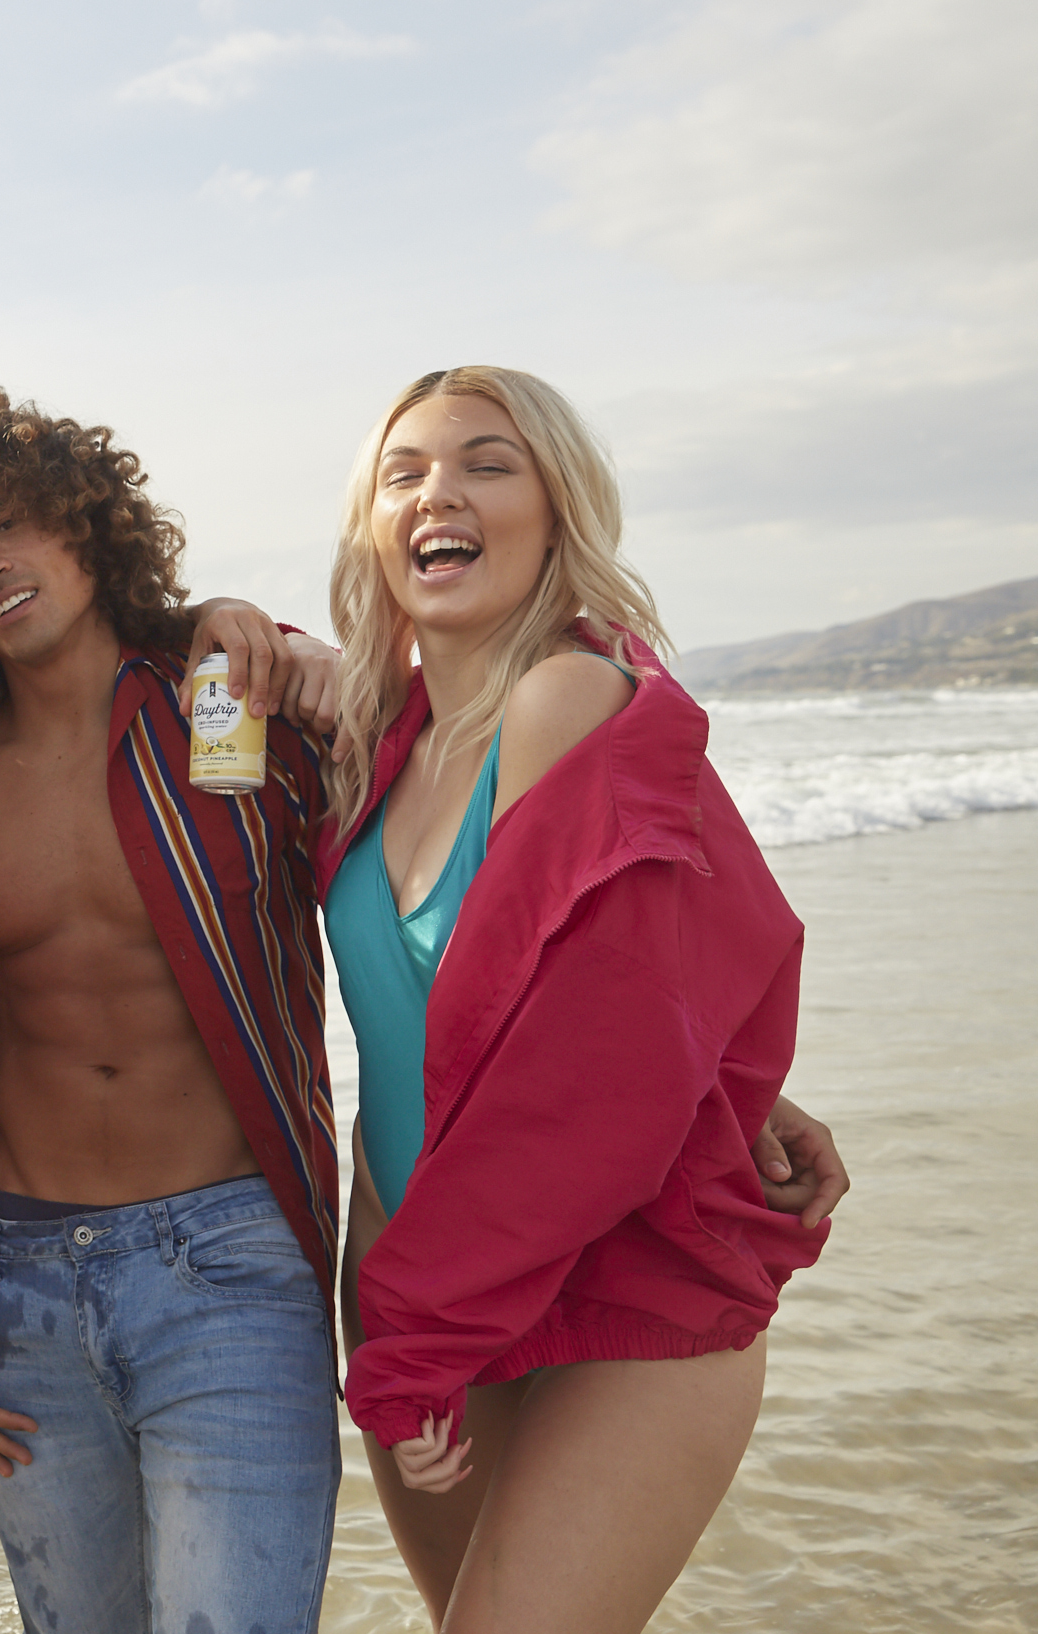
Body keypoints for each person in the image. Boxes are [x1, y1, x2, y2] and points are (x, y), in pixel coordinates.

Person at [317, 366, 830, 1631]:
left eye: (489, 465)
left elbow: (594, 1051)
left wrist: (422, 1343)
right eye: (406, 473)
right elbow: (609, 975)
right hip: (412, 1260)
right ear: (373, 528)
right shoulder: (375, 738)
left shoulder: (567, 697)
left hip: (620, 1280)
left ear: (557, 514)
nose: (442, 492)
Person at [0, 389, 351, 1634]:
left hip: (231, 1265)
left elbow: (454, 841)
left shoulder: (229, 704)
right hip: (15, 1280)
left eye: (11, 527)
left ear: (87, 528)